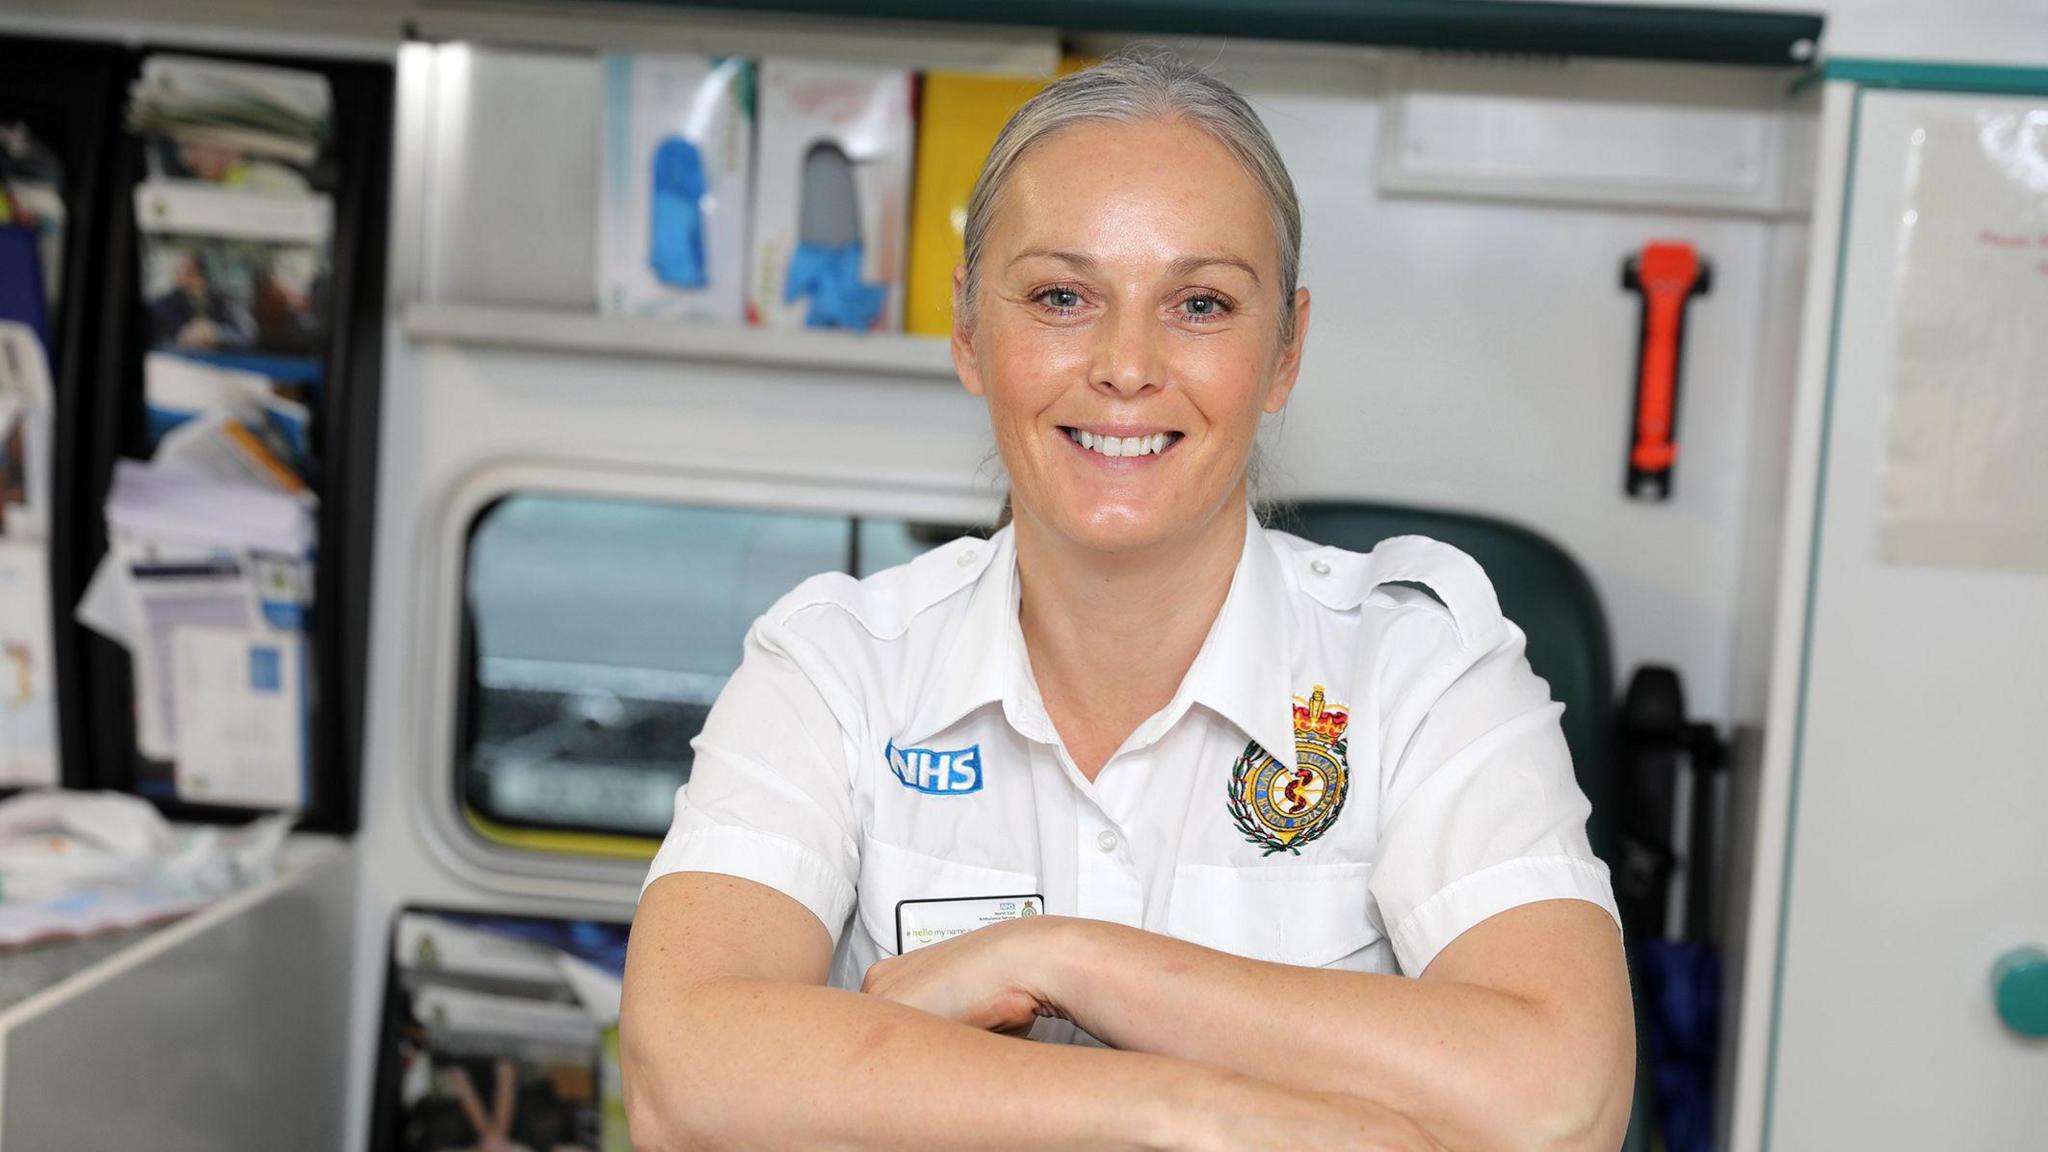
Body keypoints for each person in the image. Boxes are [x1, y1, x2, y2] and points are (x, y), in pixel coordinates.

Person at [622, 47, 1633, 1151]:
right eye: (1062, 296)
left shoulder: (1427, 672)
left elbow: (1560, 1099)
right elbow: (683, 1078)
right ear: (968, 330)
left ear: (1284, 352)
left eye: (1198, 304)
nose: (1124, 364)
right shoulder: (831, 668)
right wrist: (1182, 1108)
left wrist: (1060, 960)